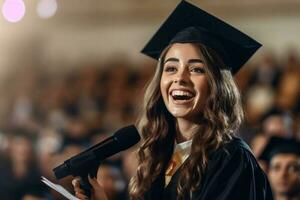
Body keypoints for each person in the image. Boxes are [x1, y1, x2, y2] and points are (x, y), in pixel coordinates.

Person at [73, 1, 273, 199]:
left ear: (218, 85)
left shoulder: (232, 159)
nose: (180, 78)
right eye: (171, 68)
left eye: (196, 69)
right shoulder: (157, 155)